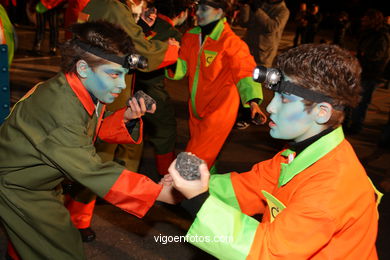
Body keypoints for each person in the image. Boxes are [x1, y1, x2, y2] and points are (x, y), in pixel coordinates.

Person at [166, 44, 380, 259]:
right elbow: (246, 189)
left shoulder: (332, 187)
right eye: (275, 95)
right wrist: (180, 187)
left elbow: (268, 252)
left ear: (322, 112)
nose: (270, 107)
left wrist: (197, 198)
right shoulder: (301, 154)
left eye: (285, 99)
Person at [0, 20, 175, 259]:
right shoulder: (59, 112)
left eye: (124, 75)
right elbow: (92, 169)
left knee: (31, 242)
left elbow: (88, 131)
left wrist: (126, 117)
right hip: (18, 187)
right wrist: (159, 193)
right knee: (63, 250)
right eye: (114, 74)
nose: (122, 84)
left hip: (36, 179)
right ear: (83, 68)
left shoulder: (78, 87)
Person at [65, 0, 180, 241]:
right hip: (101, 88)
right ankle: (75, 221)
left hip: (85, 83)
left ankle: (75, 218)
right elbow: (141, 51)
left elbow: (113, 39)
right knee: (96, 158)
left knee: (86, 152)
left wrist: (140, 29)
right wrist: (170, 49)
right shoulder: (114, 7)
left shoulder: (98, 4)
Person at [166, 0, 265, 173]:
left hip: (220, 110)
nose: (197, 13)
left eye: (204, 9)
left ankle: (179, 194)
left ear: (220, 12)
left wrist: (254, 102)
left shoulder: (231, 43)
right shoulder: (190, 36)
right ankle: (204, 191)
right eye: (197, 8)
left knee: (194, 158)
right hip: (196, 109)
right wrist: (171, 53)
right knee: (206, 157)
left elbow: (245, 71)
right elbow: (181, 70)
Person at [134, 0, 189, 176]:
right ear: (181, 13)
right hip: (152, 90)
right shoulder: (173, 33)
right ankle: (165, 175)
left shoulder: (140, 24)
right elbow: (177, 72)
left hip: (128, 86)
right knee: (165, 131)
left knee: (129, 133)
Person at [235, 0, 289, 130]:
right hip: (247, 48)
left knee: (254, 83)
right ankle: (240, 111)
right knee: (241, 79)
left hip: (263, 52)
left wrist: (257, 10)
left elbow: (272, 27)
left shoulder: (283, 11)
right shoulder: (262, 4)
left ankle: (248, 115)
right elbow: (244, 22)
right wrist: (245, 6)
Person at [344, 9, 390, 134]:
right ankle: (347, 123)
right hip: (361, 70)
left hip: (371, 73)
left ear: (373, 20)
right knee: (351, 98)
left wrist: (360, 54)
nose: (363, 21)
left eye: (366, 19)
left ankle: (356, 126)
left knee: (361, 101)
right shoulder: (369, 32)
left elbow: (378, 54)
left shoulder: (381, 35)